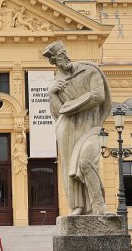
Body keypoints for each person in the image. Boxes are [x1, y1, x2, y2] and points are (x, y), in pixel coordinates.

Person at [42, 41, 111, 215]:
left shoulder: (89, 70)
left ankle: (99, 205)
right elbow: (58, 112)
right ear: (54, 62)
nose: (64, 58)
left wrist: (69, 106)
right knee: (69, 168)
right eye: (59, 57)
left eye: (64, 53)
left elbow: (98, 96)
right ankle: (77, 206)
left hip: (91, 127)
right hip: (67, 128)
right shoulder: (56, 82)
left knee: (86, 161)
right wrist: (51, 94)